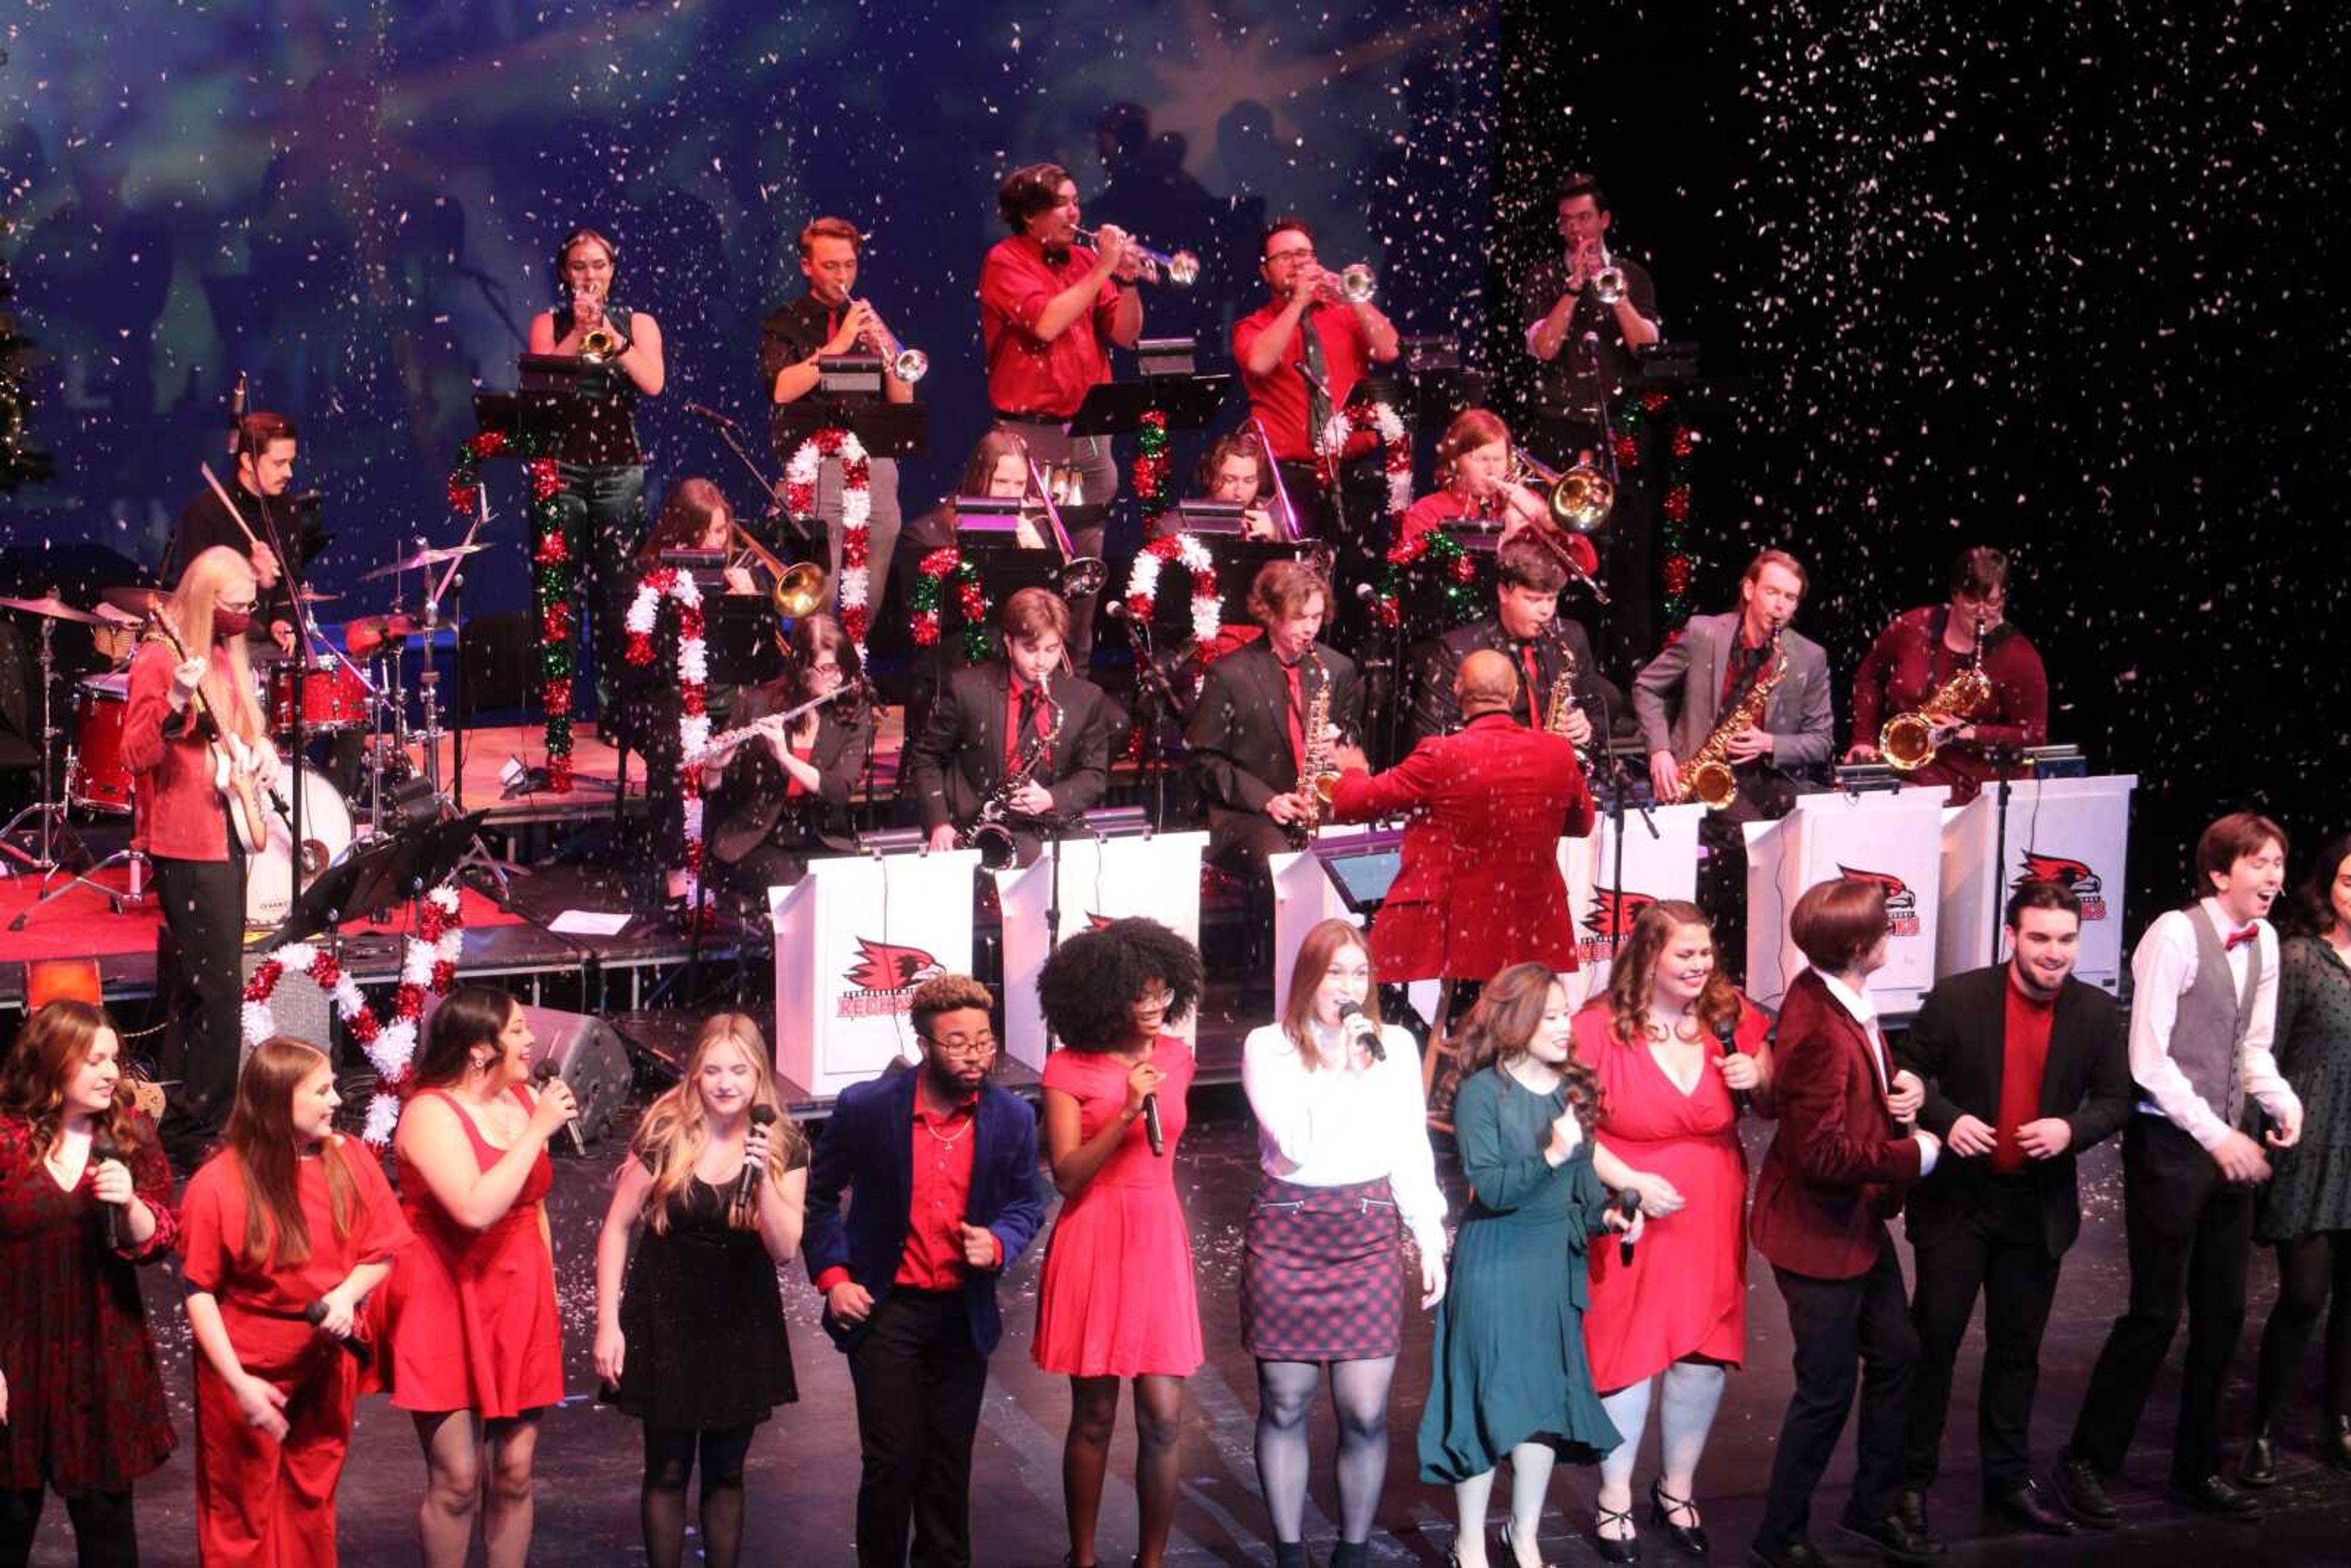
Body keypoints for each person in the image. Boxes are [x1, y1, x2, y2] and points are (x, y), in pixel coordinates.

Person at [2055, 812, 2302, 1526]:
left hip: (2231, 1143)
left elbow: (2252, 1047)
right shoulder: (2173, 932)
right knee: (2155, 1312)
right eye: (2260, 863)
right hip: (2172, 1147)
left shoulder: (2268, 942)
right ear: (2221, 872)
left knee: (2223, 1313)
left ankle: (2198, 1466)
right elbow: (2149, 1059)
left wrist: (2279, 1100)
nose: (2274, 876)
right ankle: (2086, 1461)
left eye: (2280, 863)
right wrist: (2216, 1133)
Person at [1890, 880, 2133, 1539]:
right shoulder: (1960, 997)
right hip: (1959, 1202)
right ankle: (1908, 1484)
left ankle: (2006, 1479)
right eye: (2040, 937)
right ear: (2012, 937)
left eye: (2066, 939)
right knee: (1933, 1342)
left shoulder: (2094, 1011)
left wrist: (2070, 1130)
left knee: (2017, 1350)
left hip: (2036, 1203)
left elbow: (2115, 1099)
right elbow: (1908, 1075)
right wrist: (1950, 1116)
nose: (2055, 952)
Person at [803, 974, 1047, 1568]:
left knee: (947, 1461)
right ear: (924, 1044)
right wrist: (835, 1277)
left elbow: (1028, 1201)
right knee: (892, 1458)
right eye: (958, 1042)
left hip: (960, 1312)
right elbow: (818, 1197)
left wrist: (999, 1240)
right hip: (888, 1307)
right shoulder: (868, 1109)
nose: (975, 1054)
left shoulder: (1011, 1116)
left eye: (984, 1041)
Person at [1747, 876, 1944, 1567]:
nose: (1893, 932)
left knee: (1898, 1352)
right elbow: (1820, 1152)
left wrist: (1904, 1087)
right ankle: (1779, 1535)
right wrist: (1910, 1156)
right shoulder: (1821, 1027)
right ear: (1860, 946)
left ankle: (1871, 1507)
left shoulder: (1833, 993)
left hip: (1853, 1222)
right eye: (1885, 926)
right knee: (1826, 1390)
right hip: (1816, 1232)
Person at [1240, 920, 1447, 1568]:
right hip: (1289, 1231)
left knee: (1363, 1409)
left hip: (1367, 1234)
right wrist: (1342, 1070)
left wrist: (1431, 1236)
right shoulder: (1267, 1047)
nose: (1349, 986)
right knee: (1287, 1400)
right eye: (1336, 972)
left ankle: (1353, 1549)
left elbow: (1411, 1147)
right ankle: (1289, 1548)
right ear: (1308, 976)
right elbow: (1295, 1144)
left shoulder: (1395, 1047)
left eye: (1360, 973)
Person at [1572, 902, 1773, 1562]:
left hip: (1711, 1204)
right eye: (1684, 954)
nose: (1699, 965)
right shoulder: (1599, 1026)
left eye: (1705, 953)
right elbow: (1567, 1122)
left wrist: (1760, 1074)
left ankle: (1678, 1486)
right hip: (1633, 1207)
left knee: (1703, 1350)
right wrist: (1627, 1177)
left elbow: (1776, 1090)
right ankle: (1615, 1494)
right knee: (1628, 1351)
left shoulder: (1728, 1014)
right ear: (1649, 956)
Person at [1417, 963, 1636, 1568]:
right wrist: (1551, 1151)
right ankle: (1468, 1542)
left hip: (1551, 1266)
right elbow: (1491, 1187)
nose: (1567, 1026)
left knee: (1542, 1405)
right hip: (1496, 1262)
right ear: (1517, 1020)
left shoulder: (1573, 1090)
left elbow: (1583, 1185)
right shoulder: (1482, 1092)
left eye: (1567, 1013)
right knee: (1489, 1400)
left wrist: (1609, 1217)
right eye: (1552, 1015)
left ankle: (1525, 1532)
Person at [179, 1036, 415, 1566]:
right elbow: (200, 1292)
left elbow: (382, 1250)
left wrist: (346, 1296)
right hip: (246, 1365)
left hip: (325, 1358)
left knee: (312, 1498)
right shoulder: (219, 1183)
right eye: (322, 1090)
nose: (337, 1100)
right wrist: (238, 1383)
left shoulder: (349, 1158)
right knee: (242, 1511)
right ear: (278, 1100)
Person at [594, 1015, 807, 1568]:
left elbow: (785, 1248)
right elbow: (617, 1227)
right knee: (666, 1468)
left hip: (740, 1318)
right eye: (712, 1069)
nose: (725, 1082)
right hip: (666, 1314)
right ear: (694, 1074)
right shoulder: (666, 1132)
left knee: (727, 1470)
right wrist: (608, 1323)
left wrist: (759, 1178)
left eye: (739, 1069)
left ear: (760, 1073)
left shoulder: (784, 1143)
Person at [383, 986, 578, 1568]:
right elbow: (474, 1207)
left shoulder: (521, 1099)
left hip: (519, 1298)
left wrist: (547, 1293)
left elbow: (532, 1203)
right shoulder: (429, 1113)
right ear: (478, 1049)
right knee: (458, 1478)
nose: (530, 1039)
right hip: (444, 1300)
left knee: (515, 1473)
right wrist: (537, 1132)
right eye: (517, 1030)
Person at [1033, 918, 1207, 1568]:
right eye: (1141, 995)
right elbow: (1069, 1175)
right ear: (1104, 997)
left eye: (1163, 992)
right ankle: (1082, 1557)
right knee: (1096, 1413)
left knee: (1164, 1414)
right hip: (1096, 1231)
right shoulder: (1066, 1066)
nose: (1156, 1006)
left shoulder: (1179, 1057)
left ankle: (1151, 1559)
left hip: (1157, 1233)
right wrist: (1129, 1110)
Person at [121, 544, 284, 1167]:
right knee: (219, 993)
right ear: (204, 599)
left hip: (226, 835)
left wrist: (262, 750)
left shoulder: (223, 652)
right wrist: (175, 702)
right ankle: (199, 1128)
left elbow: (245, 729)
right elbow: (135, 754)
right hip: (184, 843)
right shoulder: (161, 658)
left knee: (198, 986)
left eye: (249, 606)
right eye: (234, 605)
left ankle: (176, 1114)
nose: (244, 616)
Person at [0, 1001, 176, 1568]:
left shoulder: (129, 1133)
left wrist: (128, 1202)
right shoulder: (6, 1139)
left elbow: (160, 1238)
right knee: (8, 1522)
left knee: (107, 1531)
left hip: (101, 1356)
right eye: (93, 1059)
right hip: (15, 1355)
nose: (110, 1072)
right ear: (53, 1062)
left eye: (114, 1058)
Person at [1326, 649, 1595, 986]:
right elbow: (1582, 824)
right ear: (1513, 695)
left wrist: (1353, 771)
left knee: (1466, 1027)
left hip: (1467, 930)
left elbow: (1353, 803)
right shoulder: (1557, 751)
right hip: (1533, 923)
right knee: (1524, 1024)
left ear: (1456, 690)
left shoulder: (1440, 755)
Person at [1631, 548, 1834, 977]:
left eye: (1791, 597)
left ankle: (1778, 960)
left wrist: (1769, 742)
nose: (1781, 605)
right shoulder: (1704, 632)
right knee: (1754, 842)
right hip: (1701, 774)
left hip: (1764, 774)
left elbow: (1821, 741)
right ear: (1749, 589)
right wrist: (1660, 751)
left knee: (1804, 832)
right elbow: (1647, 687)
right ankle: (1728, 961)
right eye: (1773, 592)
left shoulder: (1807, 656)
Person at [980, 162, 1143, 667]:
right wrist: (1101, 269)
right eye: (1064, 203)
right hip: (1030, 434)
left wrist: (1128, 281)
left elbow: (1126, 335)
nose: (1077, 212)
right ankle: (1021, 678)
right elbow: (1047, 323)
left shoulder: (1084, 261)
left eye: (1077, 200)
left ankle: (1078, 684)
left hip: (1090, 434)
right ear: (1030, 216)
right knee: (1030, 560)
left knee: (1086, 571)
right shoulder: (1004, 260)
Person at [1518, 174, 1663, 666]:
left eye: (1585, 219)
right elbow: (1544, 347)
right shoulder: (1542, 277)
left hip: (1617, 428)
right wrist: (1574, 288)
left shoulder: (1632, 275)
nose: (1577, 231)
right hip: (1558, 429)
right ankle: (1561, 663)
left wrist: (1612, 291)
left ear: (1604, 221)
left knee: (1626, 555)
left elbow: (1645, 343)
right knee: (1563, 550)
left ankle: (1625, 673)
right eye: (1568, 222)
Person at [2244, 831, 2351, 1483]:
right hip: (2313, 1147)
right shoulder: (2303, 959)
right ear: (2328, 887)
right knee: (2305, 1295)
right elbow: (2265, 1051)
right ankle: (2260, 1427)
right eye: (2349, 879)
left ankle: (2338, 1420)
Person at [525, 226, 666, 709]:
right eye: (580, 266)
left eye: (599, 266)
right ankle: (560, 711)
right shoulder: (549, 322)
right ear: (565, 273)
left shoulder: (638, 322)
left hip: (619, 470)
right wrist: (579, 334)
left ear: (613, 270)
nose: (590, 275)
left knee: (619, 593)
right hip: (561, 469)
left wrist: (611, 334)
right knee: (559, 595)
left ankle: (617, 709)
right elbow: (541, 386)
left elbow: (653, 383)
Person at [1231, 216, 1400, 609]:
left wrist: (1354, 298)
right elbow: (1258, 362)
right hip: (1295, 479)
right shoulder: (1253, 325)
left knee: (1357, 584)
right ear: (1264, 270)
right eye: (1285, 256)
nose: (1296, 264)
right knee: (1294, 592)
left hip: (1354, 475)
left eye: (1304, 254)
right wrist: (1297, 304)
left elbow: (1390, 349)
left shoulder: (1344, 313)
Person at [615, 477, 765, 907]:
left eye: (725, 530)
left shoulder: (737, 574)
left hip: (722, 696)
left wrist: (748, 604)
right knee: (676, 748)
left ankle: (731, 854)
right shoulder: (644, 578)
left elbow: (755, 658)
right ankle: (676, 868)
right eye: (717, 532)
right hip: (662, 698)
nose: (724, 541)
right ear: (689, 532)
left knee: (759, 738)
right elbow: (640, 663)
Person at [759, 216, 915, 605]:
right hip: (816, 463)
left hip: (873, 461)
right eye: (830, 266)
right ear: (807, 266)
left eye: (850, 265)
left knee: (872, 589)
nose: (842, 276)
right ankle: (818, 665)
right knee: (821, 592)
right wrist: (840, 344)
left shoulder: (868, 319)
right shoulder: (785, 322)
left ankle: (854, 661)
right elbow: (781, 389)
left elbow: (903, 402)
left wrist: (889, 355)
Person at [902, 587, 1115, 868]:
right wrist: (940, 823)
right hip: (979, 832)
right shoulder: (967, 689)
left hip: (1054, 828)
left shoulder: (1085, 698)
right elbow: (926, 758)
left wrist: (1052, 797)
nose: (1041, 662)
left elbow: (1095, 776)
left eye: (1052, 650)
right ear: (1008, 641)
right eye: (1031, 649)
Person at [1185, 560, 1363, 887]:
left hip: (1316, 807)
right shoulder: (1229, 674)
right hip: (1248, 815)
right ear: (1270, 613)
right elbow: (1204, 760)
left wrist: (1339, 748)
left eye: (1317, 617)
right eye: (1299, 617)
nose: (1310, 628)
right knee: (1284, 871)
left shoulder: (1337, 669)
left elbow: (1351, 736)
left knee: (1360, 857)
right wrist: (1266, 799)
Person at [1845, 547, 2049, 804]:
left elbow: (2034, 736)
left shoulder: (2021, 657)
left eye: (1993, 602)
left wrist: (1971, 733)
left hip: (1977, 791)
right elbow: (1869, 678)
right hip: (1907, 773)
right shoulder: (1912, 626)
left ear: (2005, 597)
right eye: (1972, 601)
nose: (1983, 612)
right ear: (1954, 594)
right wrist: (1862, 740)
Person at [700, 611, 872, 904]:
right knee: (794, 895)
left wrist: (785, 758)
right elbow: (715, 794)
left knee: (849, 895)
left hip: (823, 839)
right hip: (756, 841)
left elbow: (839, 790)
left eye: (842, 667)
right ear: (802, 666)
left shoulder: (853, 712)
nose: (838, 678)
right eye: (828, 668)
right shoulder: (757, 704)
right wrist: (713, 768)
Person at [1408, 536, 1616, 747]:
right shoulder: (1457, 649)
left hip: (1555, 769)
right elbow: (1431, 740)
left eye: (1552, 599)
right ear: (1504, 593)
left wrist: (1587, 728)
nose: (1546, 611)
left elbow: (1597, 710)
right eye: (1533, 599)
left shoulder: (1571, 636)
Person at [162, 410, 301, 655]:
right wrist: (250, 572)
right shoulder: (205, 512)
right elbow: (194, 596)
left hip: (265, 647)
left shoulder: (288, 509)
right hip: (214, 648)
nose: (289, 473)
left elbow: (290, 581)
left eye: (291, 462)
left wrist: (283, 619)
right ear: (248, 462)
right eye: (280, 463)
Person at [1396, 408, 1600, 572]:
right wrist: (1503, 536)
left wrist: (1554, 524)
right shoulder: (1426, 512)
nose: (1492, 469)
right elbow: (1429, 579)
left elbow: (1587, 567)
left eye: (1499, 459)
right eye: (1482, 459)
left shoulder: (1528, 503)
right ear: (1455, 461)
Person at [1193, 429, 1288, 541]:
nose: (1239, 492)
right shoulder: (1181, 521)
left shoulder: (1275, 516)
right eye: (1229, 480)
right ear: (1208, 476)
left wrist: (1276, 537)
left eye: (1249, 481)